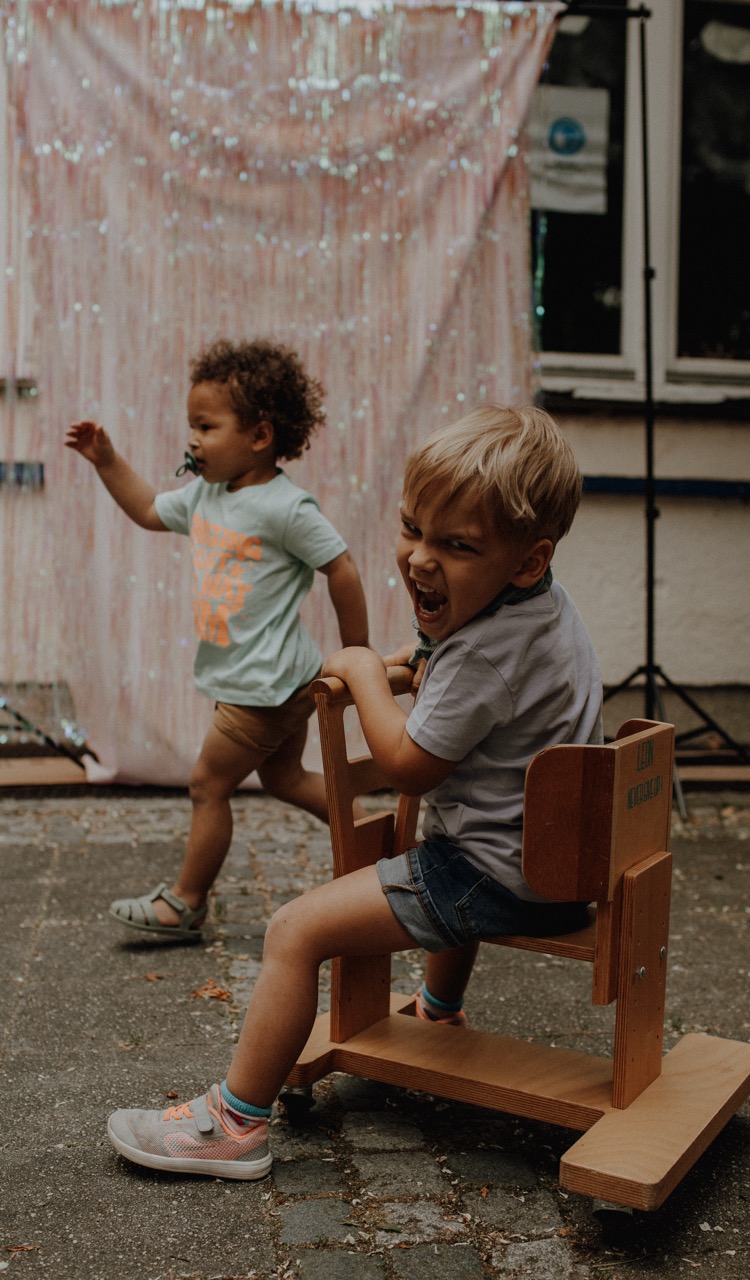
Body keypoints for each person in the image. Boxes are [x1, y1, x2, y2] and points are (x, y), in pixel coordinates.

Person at [105, 402, 603, 1178]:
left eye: (456, 545)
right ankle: (437, 1012)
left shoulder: (485, 658)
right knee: (435, 839)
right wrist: (417, 658)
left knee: (294, 932)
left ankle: (233, 1126)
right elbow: (461, 663)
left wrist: (367, 666)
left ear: (527, 559)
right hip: (558, 863)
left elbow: (406, 765)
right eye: (412, 529)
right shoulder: (538, 608)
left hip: (496, 874)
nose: (419, 559)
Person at [66, 337, 369, 940]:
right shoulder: (206, 496)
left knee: (207, 785)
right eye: (191, 427)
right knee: (284, 779)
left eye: (206, 426)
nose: (193, 440)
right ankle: (377, 838)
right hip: (275, 678)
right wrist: (107, 462)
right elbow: (150, 509)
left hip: (265, 684)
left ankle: (185, 902)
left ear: (259, 436)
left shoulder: (286, 508)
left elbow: (343, 568)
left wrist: (355, 655)